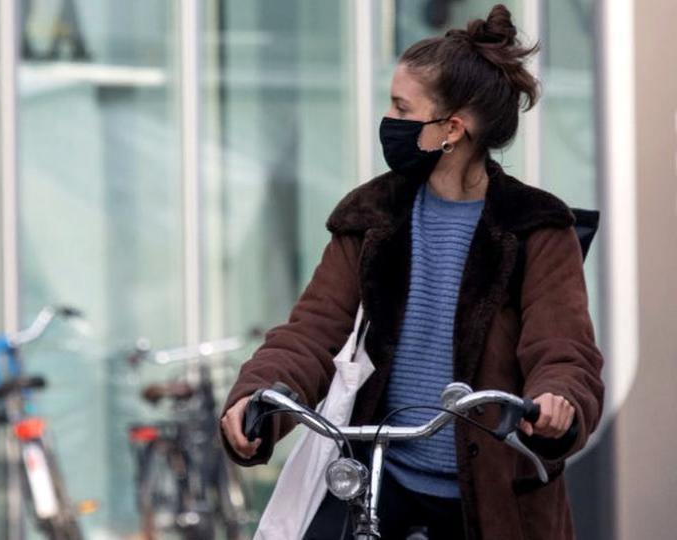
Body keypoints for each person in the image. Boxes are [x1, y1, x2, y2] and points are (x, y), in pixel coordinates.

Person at [219, 5, 603, 540]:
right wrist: (259, 396)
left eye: (402, 107)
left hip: (495, 500)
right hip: (378, 484)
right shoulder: (371, 216)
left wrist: (560, 398)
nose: (390, 120)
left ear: (452, 129)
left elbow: (563, 349)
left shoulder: (537, 227)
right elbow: (312, 330)